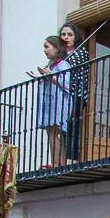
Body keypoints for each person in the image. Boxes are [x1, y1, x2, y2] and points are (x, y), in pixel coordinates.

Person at [33, 36, 71, 169]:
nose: (44, 50)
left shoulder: (63, 65)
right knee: (50, 133)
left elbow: (66, 84)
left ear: (56, 48)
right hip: (49, 103)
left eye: (46, 46)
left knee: (55, 133)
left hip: (58, 103)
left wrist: (50, 76)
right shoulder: (50, 66)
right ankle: (56, 162)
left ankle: (58, 163)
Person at [59, 24, 89, 164]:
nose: (66, 37)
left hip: (76, 94)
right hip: (63, 95)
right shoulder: (61, 55)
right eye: (63, 34)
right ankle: (63, 159)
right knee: (63, 128)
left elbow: (70, 71)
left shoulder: (80, 52)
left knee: (73, 127)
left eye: (69, 34)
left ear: (75, 37)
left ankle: (73, 159)